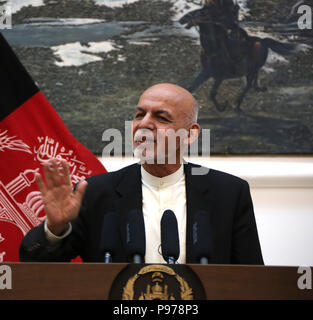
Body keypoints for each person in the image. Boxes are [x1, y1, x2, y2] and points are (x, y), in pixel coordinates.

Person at [19, 83, 264, 264]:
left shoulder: (229, 193)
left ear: (190, 134)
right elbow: (36, 265)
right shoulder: (96, 192)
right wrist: (56, 228)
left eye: (161, 117)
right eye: (139, 114)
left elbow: (251, 279)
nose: (144, 124)